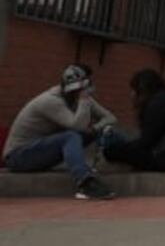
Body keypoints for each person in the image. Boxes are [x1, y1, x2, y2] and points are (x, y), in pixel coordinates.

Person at [3, 64, 117, 200]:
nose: (76, 93)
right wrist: (84, 100)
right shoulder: (50, 101)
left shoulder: (81, 97)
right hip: (18, 157)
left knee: (103, 130)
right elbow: (78, 127)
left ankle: (107, 163)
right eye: (75, 89)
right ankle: (86, 183)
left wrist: (94, 128)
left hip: (41, 152)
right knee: (71, 136)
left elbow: (110, 118)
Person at [102, 69, 165, 172]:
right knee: (120, 141)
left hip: (162, 158)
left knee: (110, 149)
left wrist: (122, 149)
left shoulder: (156, 105)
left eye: (134, 90)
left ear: (142, 90)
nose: (132, 95)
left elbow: (147, 141)